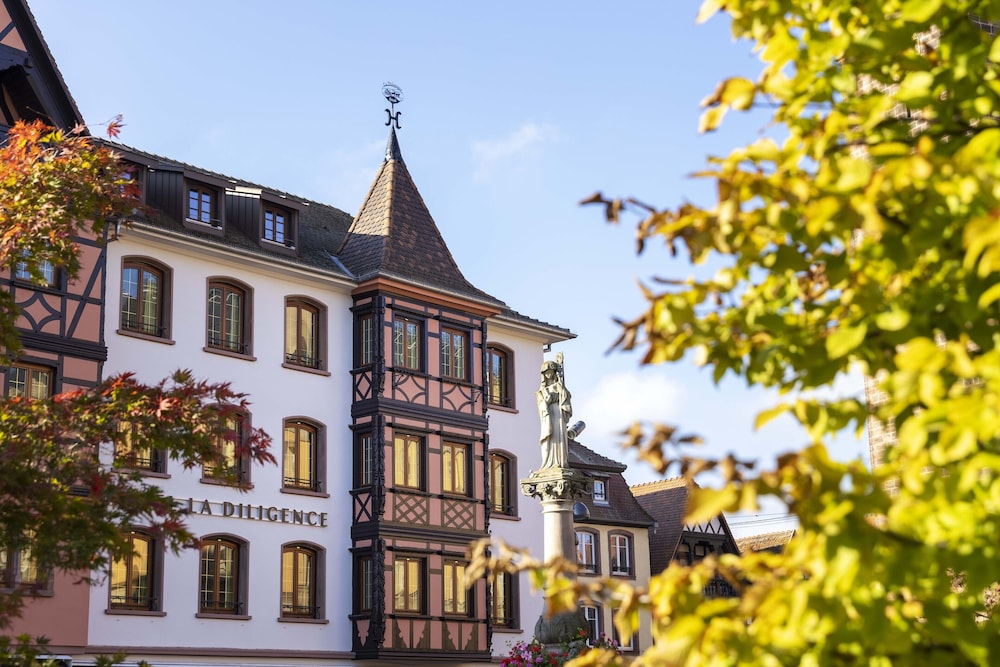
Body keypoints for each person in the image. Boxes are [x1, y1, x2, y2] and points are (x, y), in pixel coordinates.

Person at [537, 358, 572, 469]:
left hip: (558, 412)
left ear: (554, 372)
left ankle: (560, 460)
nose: (548, 374)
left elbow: (566, 398)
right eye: (546, 372)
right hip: (548, 415)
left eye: (550, 372)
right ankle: (548, 462)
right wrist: (546, 401)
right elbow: (540, 405)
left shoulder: (559, 386)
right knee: (549, 437)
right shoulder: (542, 390)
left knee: (559, 435)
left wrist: (561, 391)